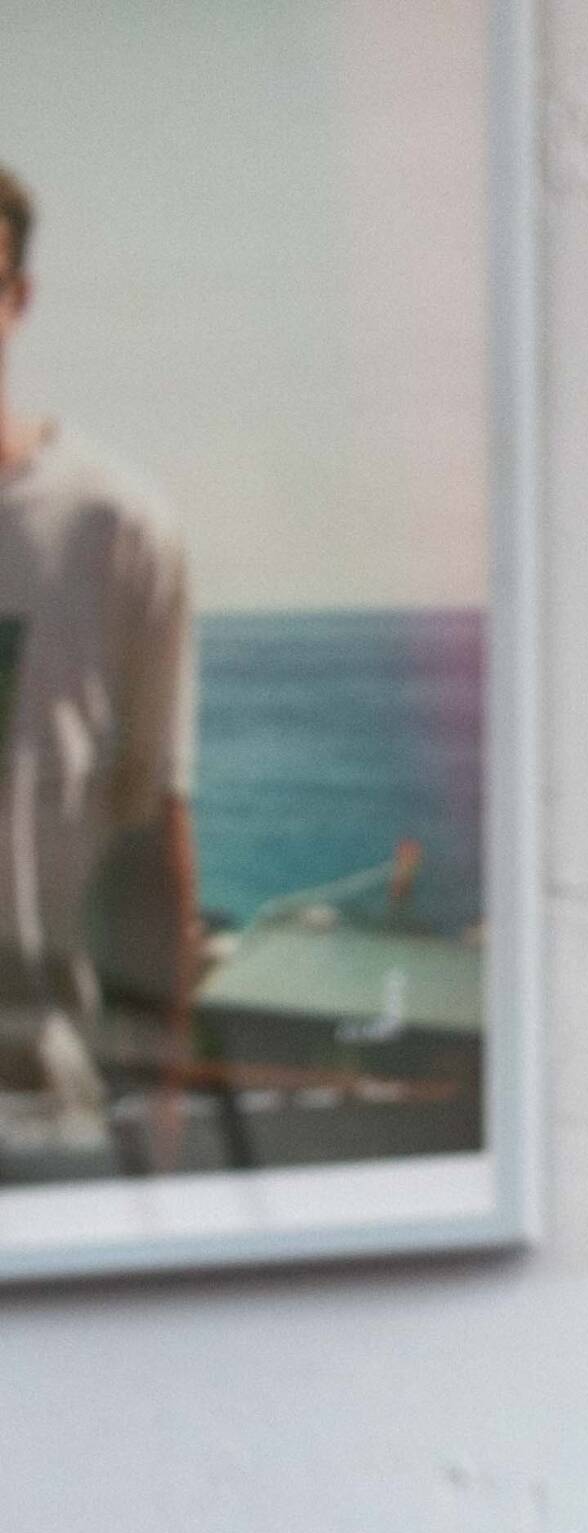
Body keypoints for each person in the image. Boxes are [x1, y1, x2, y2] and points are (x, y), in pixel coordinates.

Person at [0, 160, 200, 1110]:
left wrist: (161, 1121)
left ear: (19, 298)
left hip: (37, 1114)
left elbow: (153, 832)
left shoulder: (113, 528)